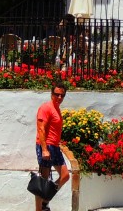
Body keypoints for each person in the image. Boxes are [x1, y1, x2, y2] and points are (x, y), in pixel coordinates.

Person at [34, 83, 71, 211]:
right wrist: (44, 149)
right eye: (57, 94)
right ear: (51, 94)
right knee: (43, 181)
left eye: (62, 95)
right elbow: (41, 128)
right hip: (46, 146)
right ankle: (39, 209)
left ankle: (45, 201)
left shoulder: (57, 109)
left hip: (54, 147)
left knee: (65, 175)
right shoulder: (46, 108)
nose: (59, 97)